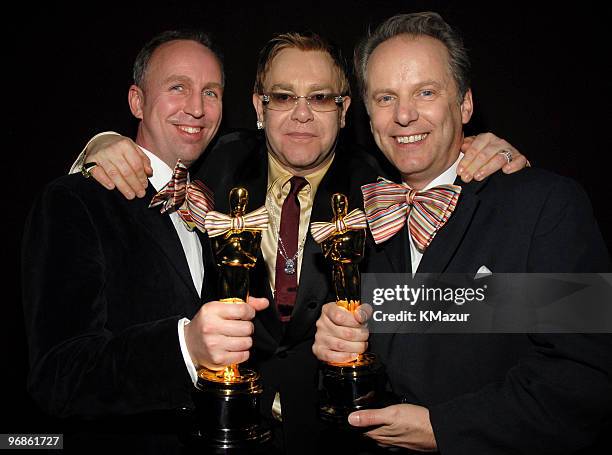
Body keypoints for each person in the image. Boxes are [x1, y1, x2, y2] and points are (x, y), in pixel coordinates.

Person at [67, 31, 531, 453]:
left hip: (343, 435)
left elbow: (471, 298)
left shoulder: (387, 181)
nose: (302, 114)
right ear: (258, 106)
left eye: (321, 98)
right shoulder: (214, 165)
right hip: (221, 427)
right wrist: (101, 143)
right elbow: (158, 154)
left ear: (346, 110)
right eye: (284, 96)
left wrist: (491, 154)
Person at [312, 11, 612, 454]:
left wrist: (446, 429)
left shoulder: (543, 204)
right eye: (385, 98)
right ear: (367, 114)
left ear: (465, 104)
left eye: (426, 92)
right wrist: (338, 348)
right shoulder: (364, 219)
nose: (404, 115)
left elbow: (585, 378)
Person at [22, 30, 269, 454]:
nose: (196, 107)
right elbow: (58, 376)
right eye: (178, 87)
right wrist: (184, 348)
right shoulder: (75, 200)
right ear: (137, 101)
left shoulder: (214, 205)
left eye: (211, 92)